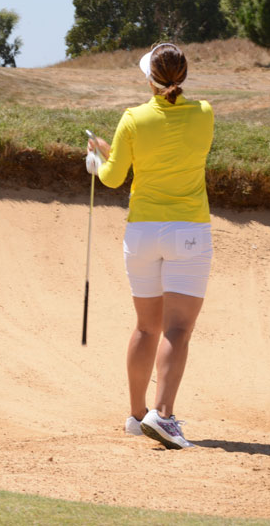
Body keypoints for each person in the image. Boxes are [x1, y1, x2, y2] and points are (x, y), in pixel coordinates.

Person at [87, 42, 214, 450]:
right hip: (187, 232)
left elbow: (113, 177)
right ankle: (163, 416)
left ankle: (137, 416)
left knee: (146, 326)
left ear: (149, 79)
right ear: (183, 76)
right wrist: (112, 154)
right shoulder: (205, 114)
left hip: (142, 233)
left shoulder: (132, 119)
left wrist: (99, 159)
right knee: (177, 328)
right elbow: (173, 154)